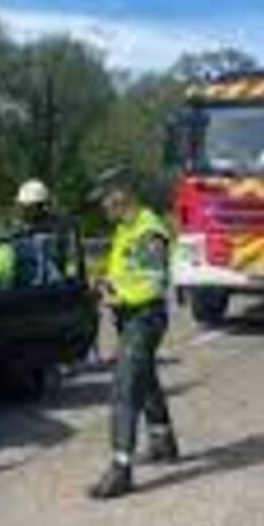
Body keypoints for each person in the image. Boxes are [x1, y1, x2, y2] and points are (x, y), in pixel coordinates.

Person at [88, 167, 179, 500]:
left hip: (144, 317)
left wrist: (120, 296)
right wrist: (107, 283)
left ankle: (120, 469)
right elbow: (127, 270)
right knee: (146, 376)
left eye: (104, 200)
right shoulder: (126, 229)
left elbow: (153, 283)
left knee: (125, 387)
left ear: (120, 195)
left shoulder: (147, 229)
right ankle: (162, 439)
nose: (102, 207)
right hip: (130, 316)